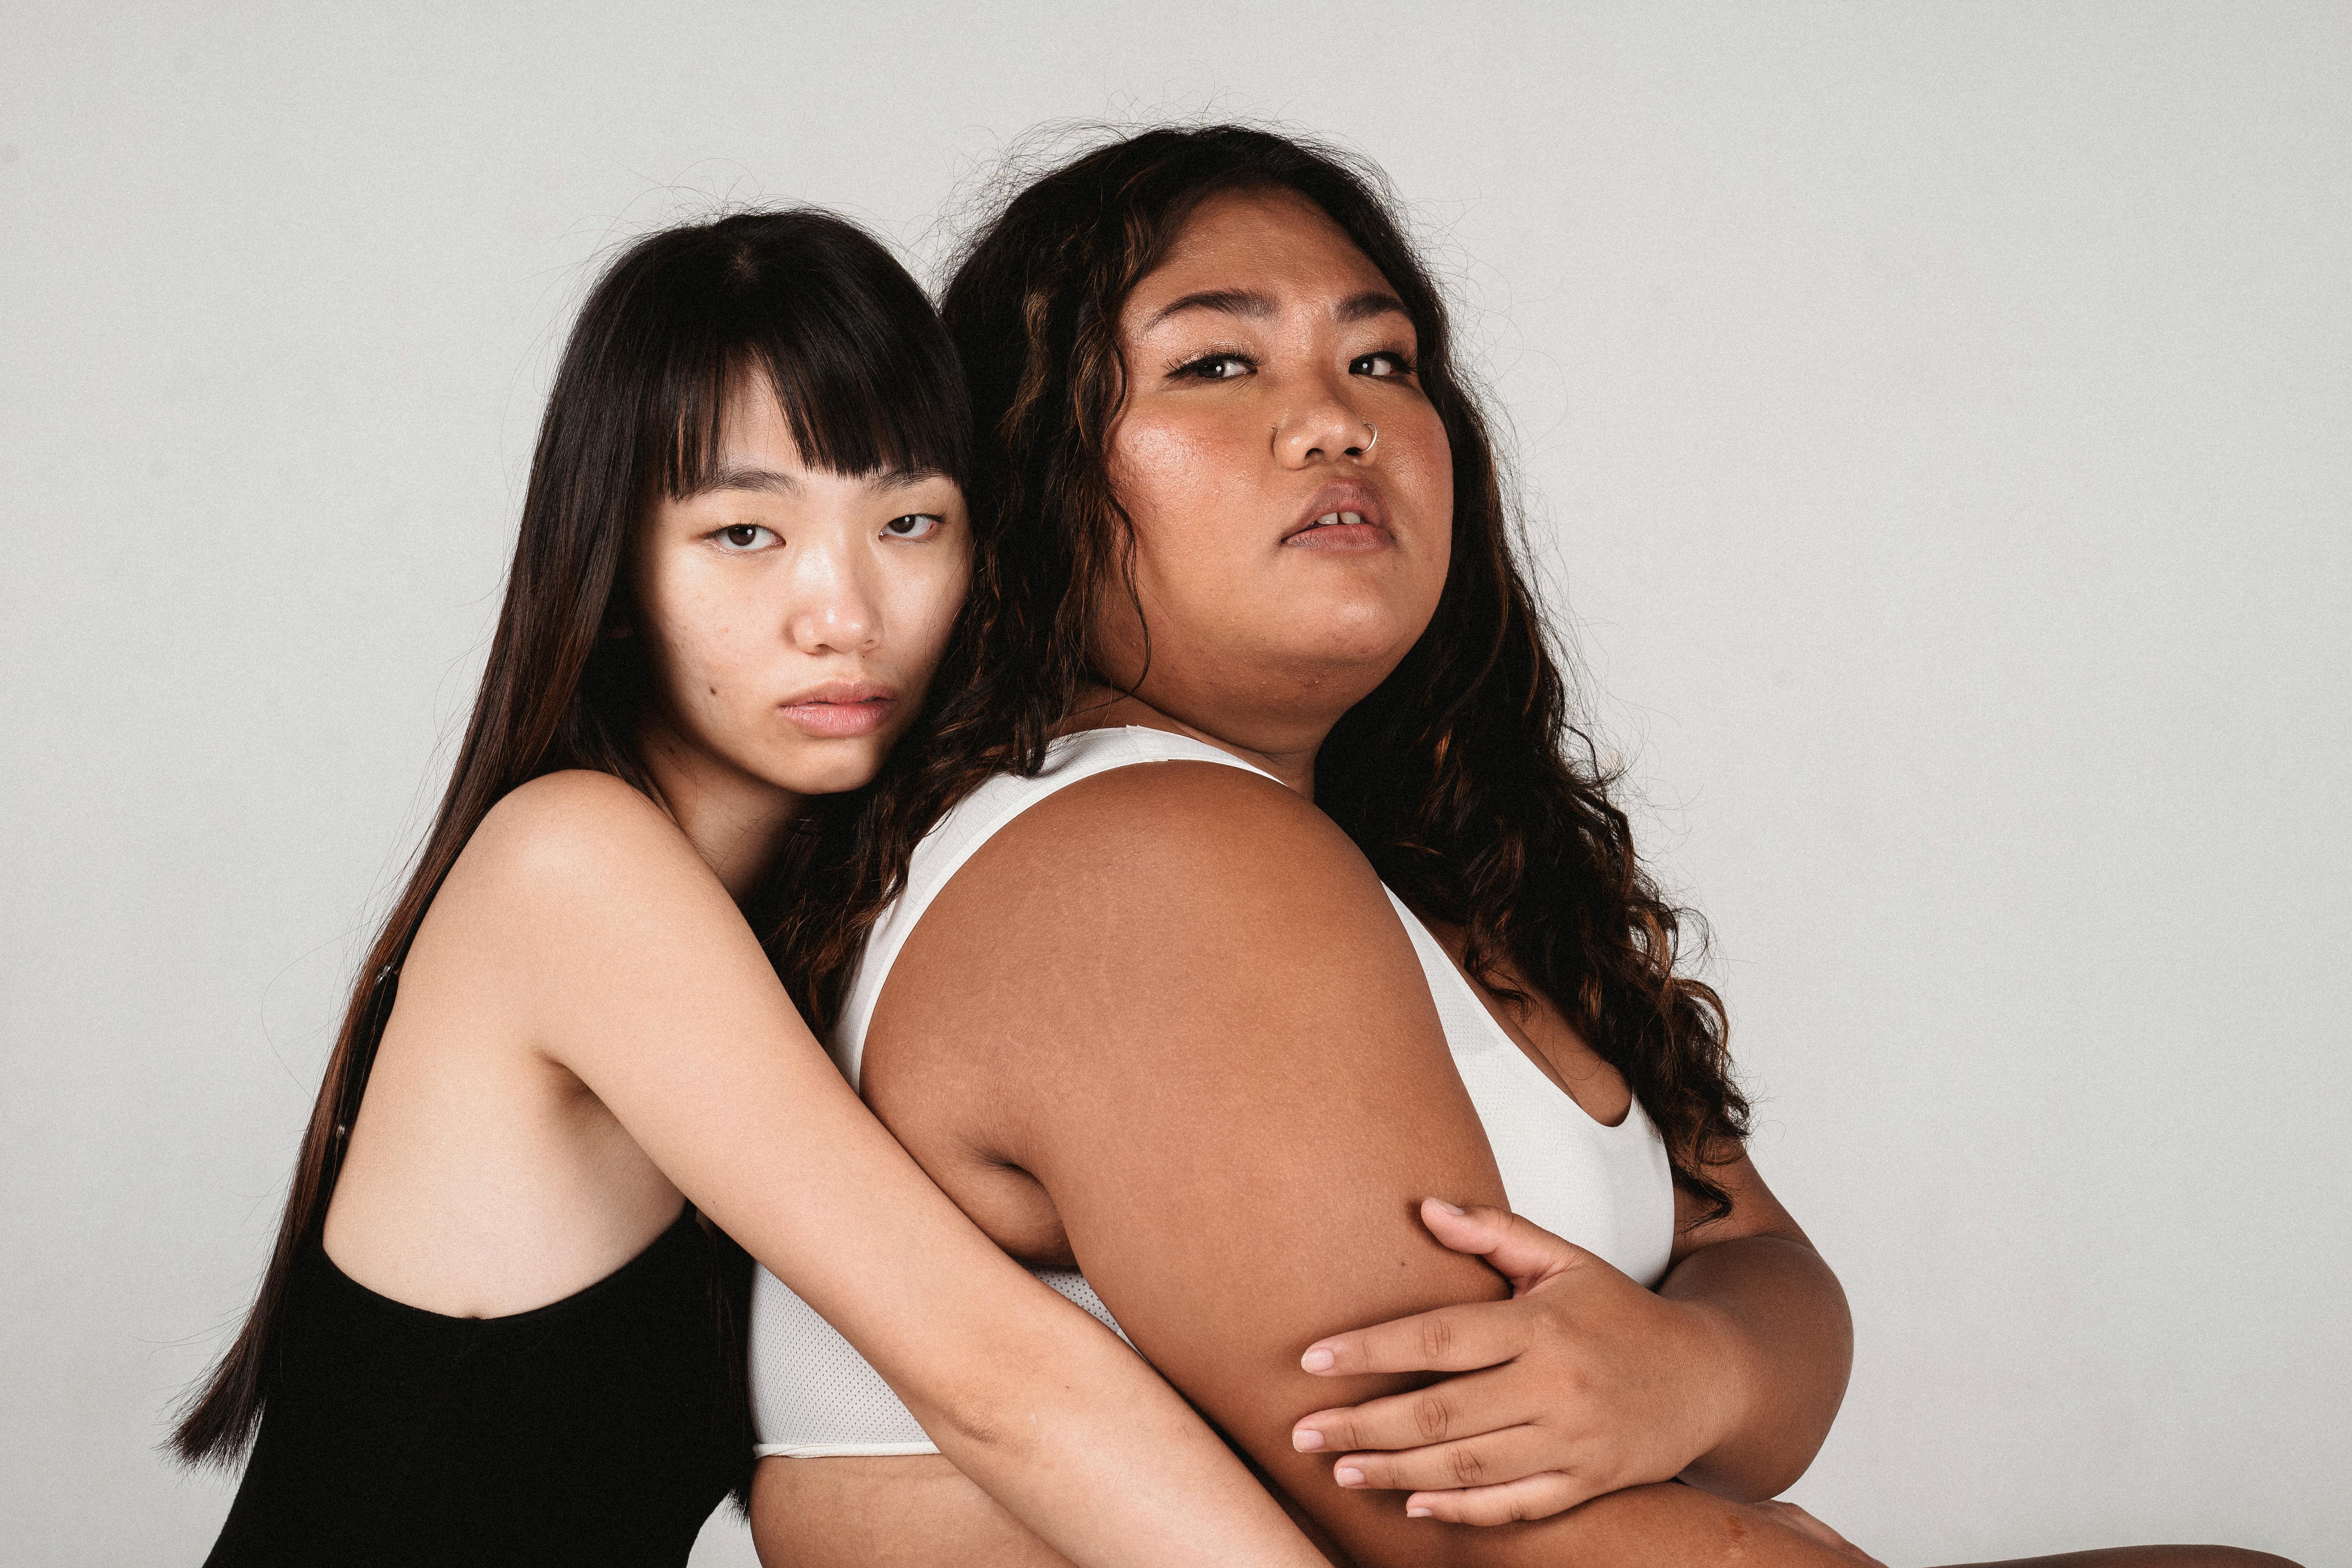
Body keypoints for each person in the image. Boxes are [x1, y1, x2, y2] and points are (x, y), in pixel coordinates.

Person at [744, 126, 2297, 1568]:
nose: (1337, 416)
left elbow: (1775, 1279)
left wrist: (1689, 1367)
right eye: (1217, 361)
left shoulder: (1431, 862)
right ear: (1022, 475)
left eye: (1385, 358)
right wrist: (1741, 1445)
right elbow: (1473, 1529)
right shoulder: (1140, 857)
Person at [172, 208, 1335, 1568]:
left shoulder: (845, 920)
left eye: (909, 521)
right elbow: (991, 1375)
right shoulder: (570, 867)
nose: (842, 611)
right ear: (613, 575)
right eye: (744, 535)